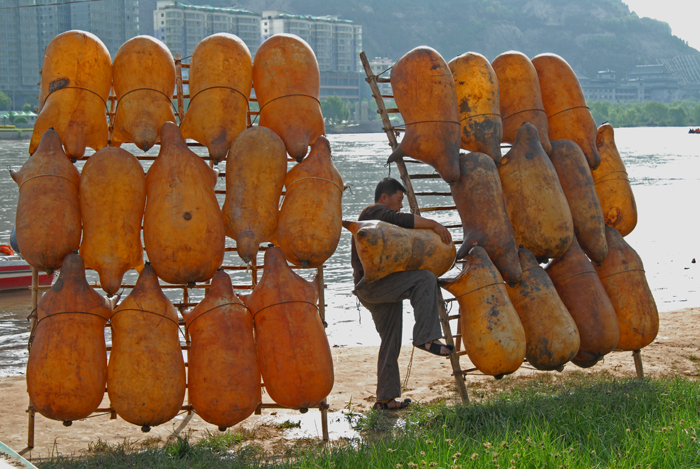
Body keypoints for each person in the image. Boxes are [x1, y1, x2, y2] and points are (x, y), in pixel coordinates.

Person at [351, 177, 454, 411]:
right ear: (384, 197)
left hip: (380, 286)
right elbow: (396, 217)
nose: (400, 206)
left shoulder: (383, 222)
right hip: (374, 284)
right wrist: (434, 224)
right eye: (398, 200)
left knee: (391, 339)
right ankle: (426, 337)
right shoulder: (372, 212)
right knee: (425, 278)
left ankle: (385, 400)